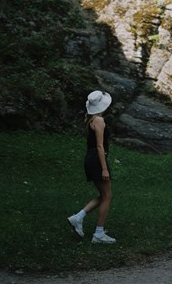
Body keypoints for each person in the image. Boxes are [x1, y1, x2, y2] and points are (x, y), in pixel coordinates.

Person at [68, 90, 116, 244]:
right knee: (107, 196)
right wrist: (104, 168)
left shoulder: (89, 120)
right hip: (97, 159)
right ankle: (98, 234)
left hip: (90, 159)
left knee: (104, 195)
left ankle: (78, 218)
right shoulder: (99, 121)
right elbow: (100, 147)